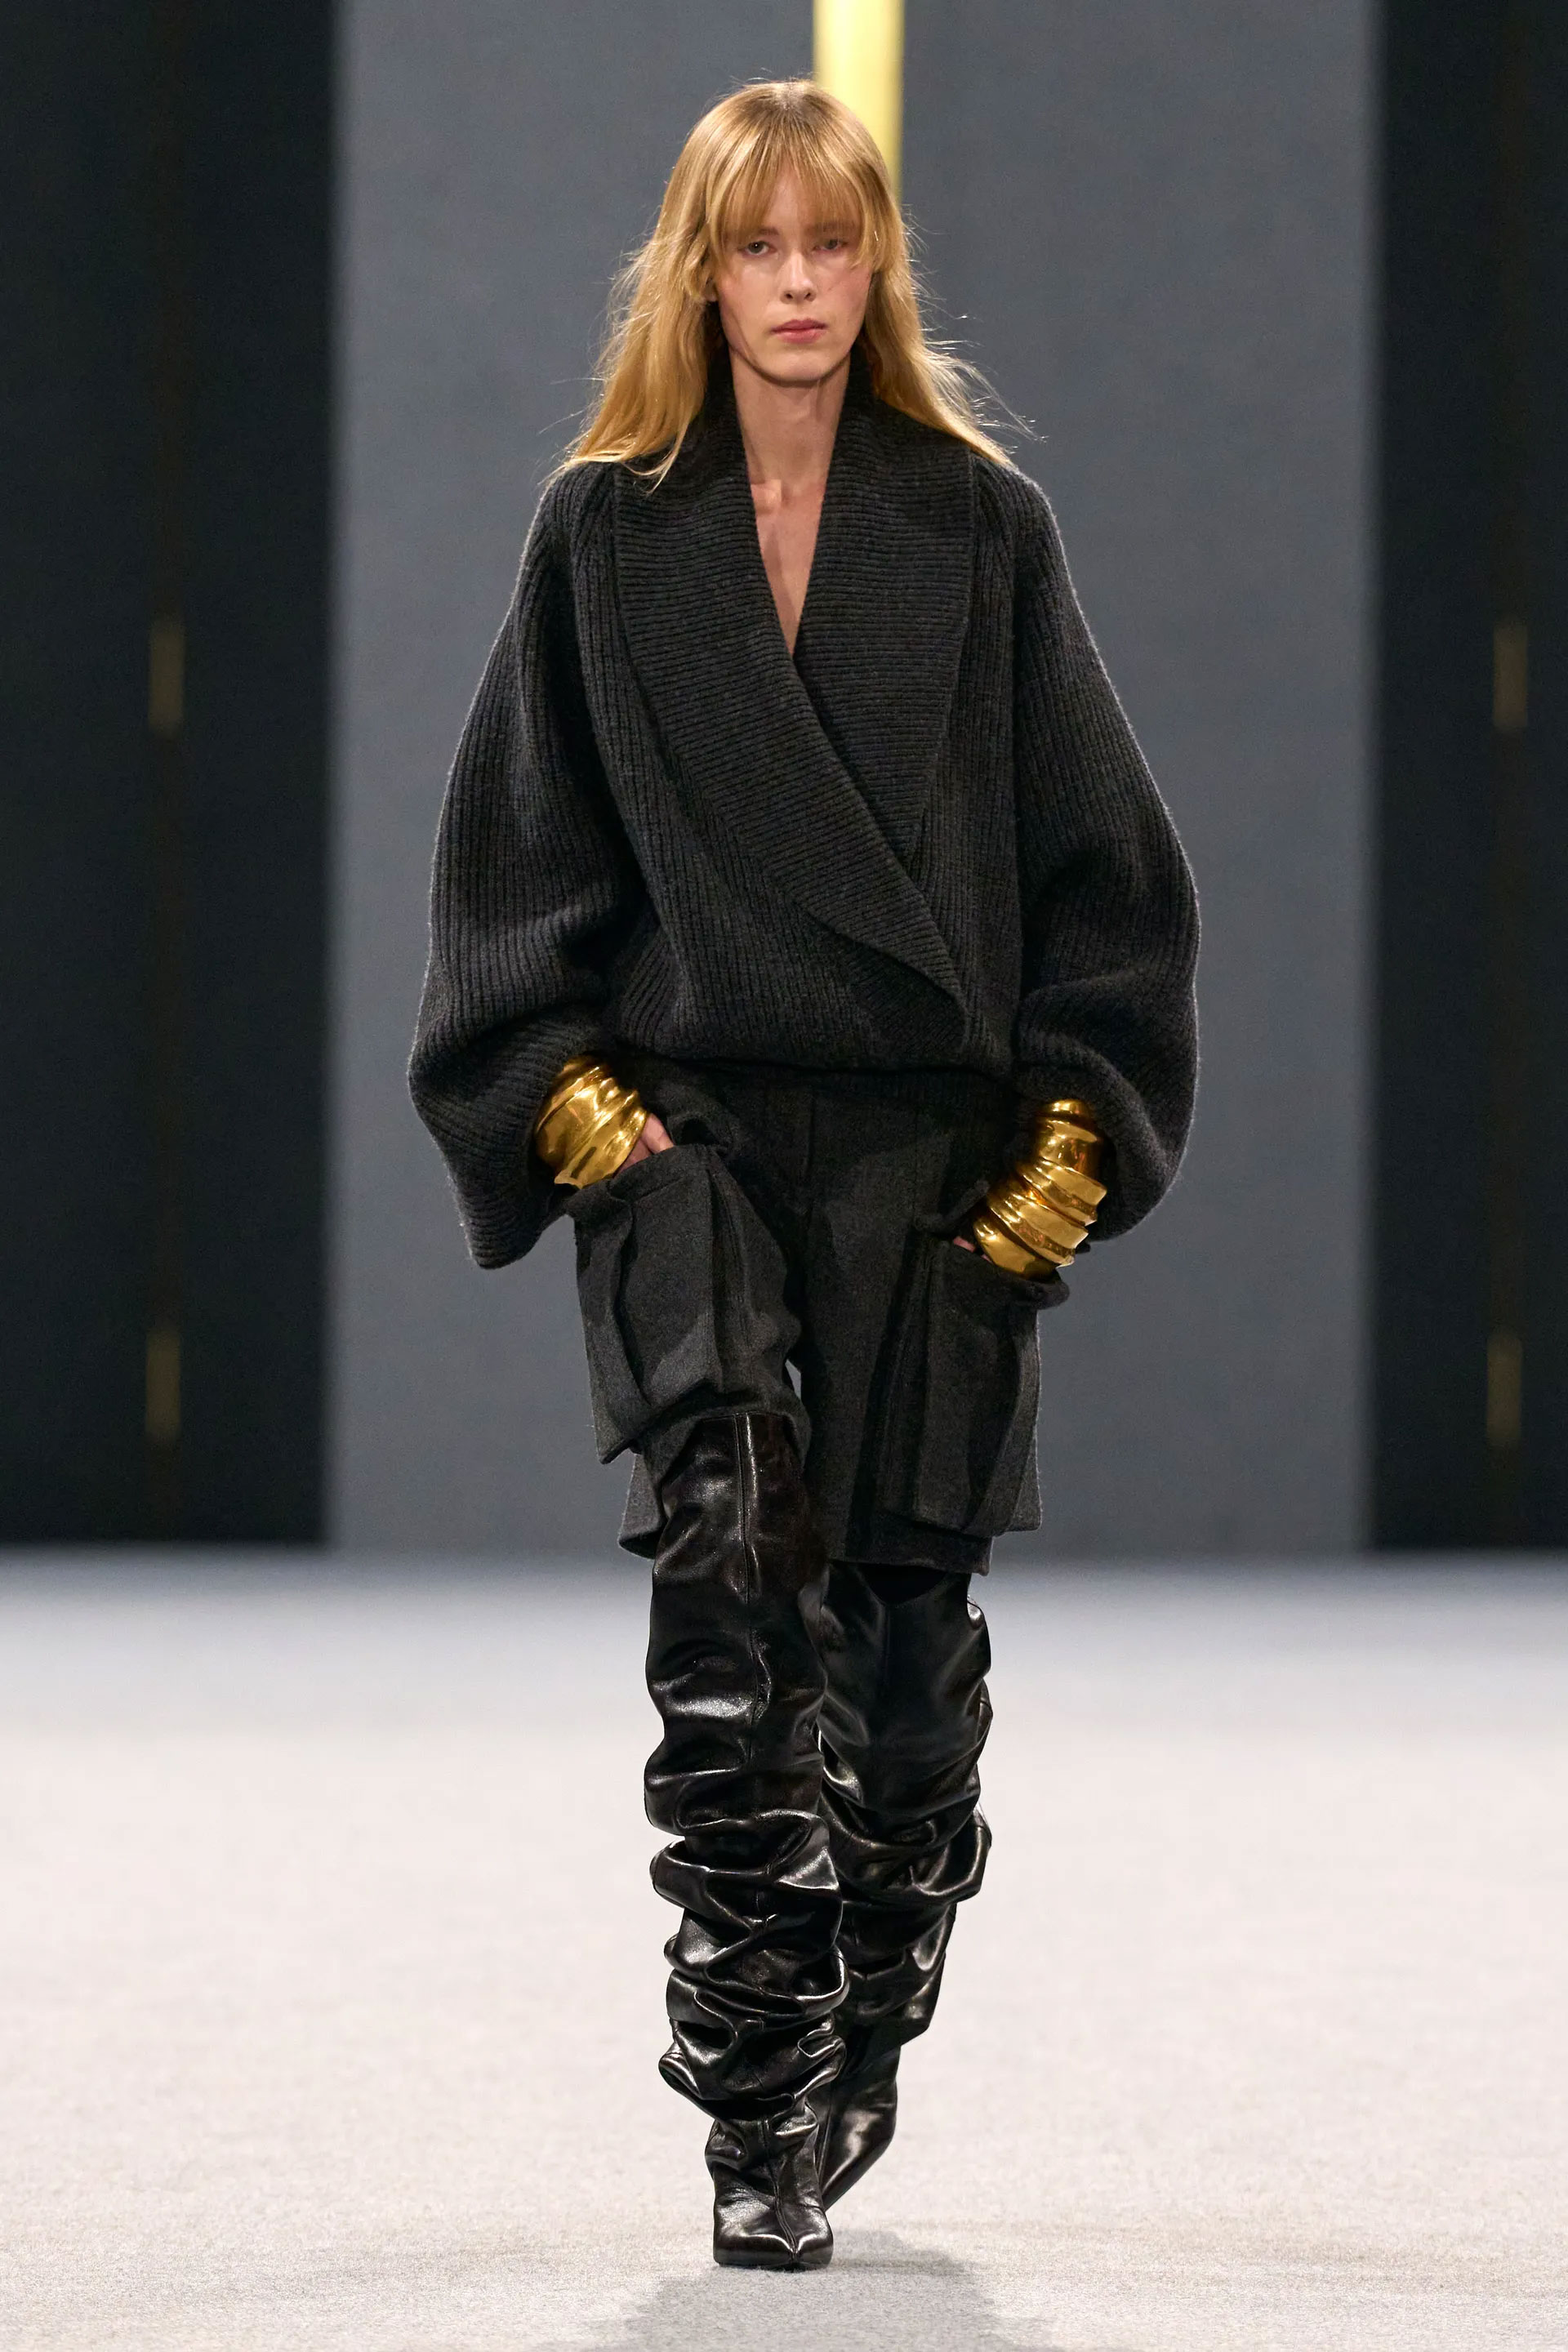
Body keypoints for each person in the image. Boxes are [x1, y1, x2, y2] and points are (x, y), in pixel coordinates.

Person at [410, 78, 1198, 2271]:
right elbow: (512, 860)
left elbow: (1110, 872)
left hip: (927, 1164)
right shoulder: (605, 539)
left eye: (826, 245)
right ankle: (754, 2099)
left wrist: (1059, 1162)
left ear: (876, 269)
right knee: (733, 1594)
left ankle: (872, 1994)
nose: (791, 285)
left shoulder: (979, 532)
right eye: (752, 246)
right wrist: (588, 1118)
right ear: (696, 268)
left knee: (906, 1675)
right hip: (700, 1145)